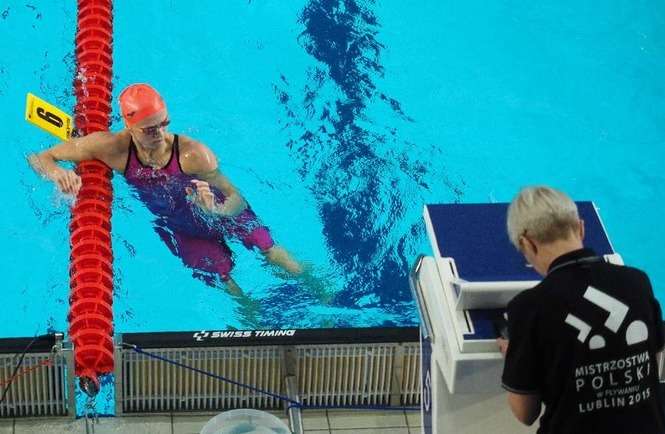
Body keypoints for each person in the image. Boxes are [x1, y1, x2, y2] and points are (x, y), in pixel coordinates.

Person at [28, 83, 303, 294]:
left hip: (220, 210)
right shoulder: (112, 148)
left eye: (164, 124)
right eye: (150, 129)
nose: (159, 134)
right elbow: (40, 157)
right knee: (224, 283)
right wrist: (58, 173)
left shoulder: (193, 154)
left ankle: (321, 294)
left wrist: (216, 210)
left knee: (271, 251)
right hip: (181, 226)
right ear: (129, 126)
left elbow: (236, 198)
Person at [498, 186, 665, 434]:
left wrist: (514, 359)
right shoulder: (637, 282)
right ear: (581, 228)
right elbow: (654, 356)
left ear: (527, 243)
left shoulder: (529, 307)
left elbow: (525, 413)